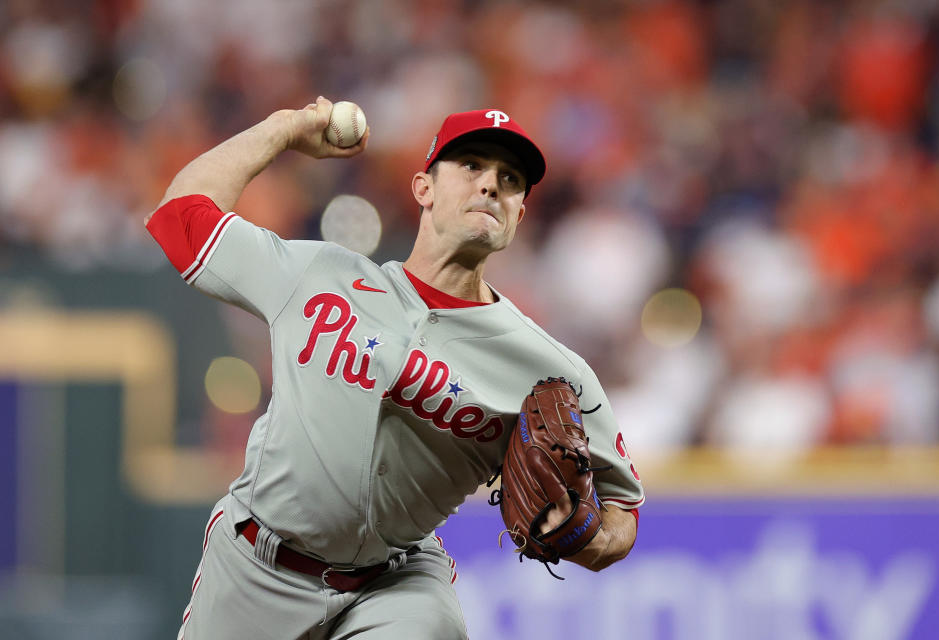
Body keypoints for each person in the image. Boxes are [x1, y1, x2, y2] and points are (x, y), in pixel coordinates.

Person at [145, 96, 645, 640]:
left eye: (510, 179)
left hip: (396, 586)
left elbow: (624, 507)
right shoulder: (318, 274)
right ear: (423, 188)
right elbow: (180, 214)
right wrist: (283, 129)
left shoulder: (549, 368)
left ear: (518, 215)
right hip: (255, 565)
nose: (491, 185)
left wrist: (592, 539)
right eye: (472, 165)